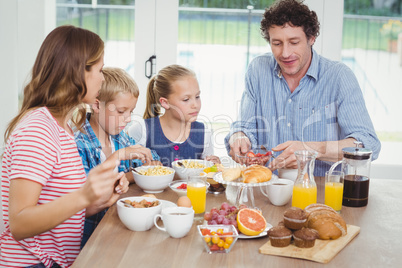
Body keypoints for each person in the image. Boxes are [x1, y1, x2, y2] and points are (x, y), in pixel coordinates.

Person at [0, 26, 152, 267]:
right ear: (78, 72)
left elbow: (61, 209)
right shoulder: (38, 129)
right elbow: (19, 224)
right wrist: (84, 194)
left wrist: (101, 199)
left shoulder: (64, 127)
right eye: (99, 70)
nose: (103, 78)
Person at [225, 0, 381, 176]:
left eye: (294, 42)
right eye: (277, 43)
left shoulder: (339, 77)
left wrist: (312, 149)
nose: (285, 53)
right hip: (268, 189)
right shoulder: (258, 70)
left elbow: (369, 145)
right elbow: (245, 126)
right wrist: (239, 136)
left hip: (322, 192)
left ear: (311, 38)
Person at [74, 67, 161, 248]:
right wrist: (129, 174)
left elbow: (151, 157)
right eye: (121, 111)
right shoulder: (79, 144)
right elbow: (86, 199)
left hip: (116, 229)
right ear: (97, 105)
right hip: (88, 242)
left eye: (131, 111)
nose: (128, 119)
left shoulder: (119, 137)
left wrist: (150, 162)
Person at [127, 64, 220, 166]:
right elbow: (127, 169)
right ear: (165, 103)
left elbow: (207, 174)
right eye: (186, 99)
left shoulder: (204, 133)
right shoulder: (141, 130)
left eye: (197, 96)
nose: (195, 104)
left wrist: (214, 165)